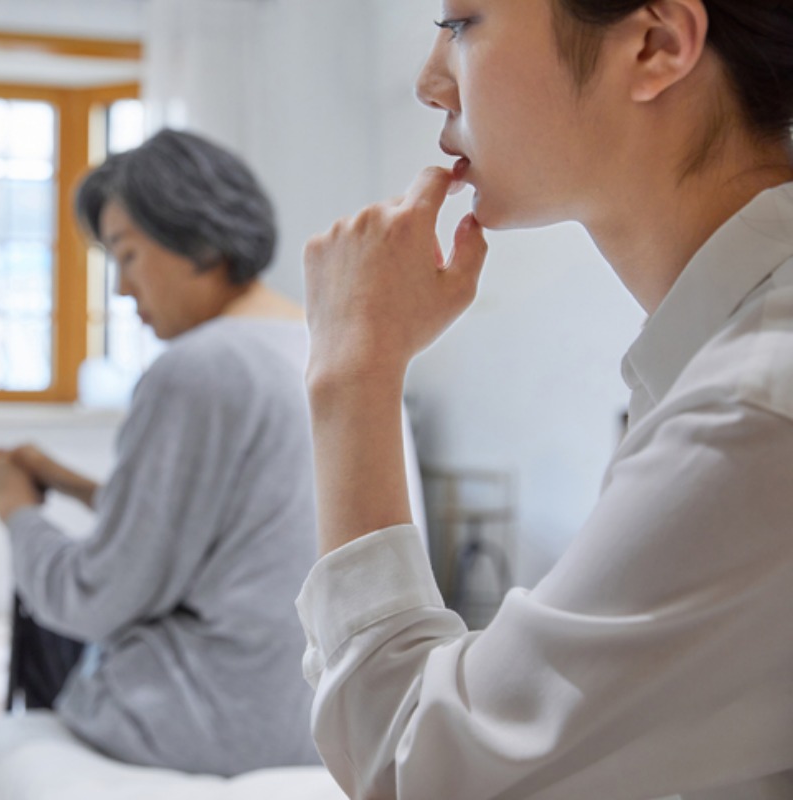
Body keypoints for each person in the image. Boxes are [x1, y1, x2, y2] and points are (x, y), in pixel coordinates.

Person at [297, 1, 793, 798]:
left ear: (656, 45)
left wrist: (351, 373)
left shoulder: (752, 408)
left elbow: (419, 769)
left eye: (463, 24)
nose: (430, 83)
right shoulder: (725, 364)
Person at [0, 129, 321, 776]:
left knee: (55, 621)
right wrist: (70, 484)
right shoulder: (317, 344)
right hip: (321, 714)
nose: (122, 290)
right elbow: (227, 526)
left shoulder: (201, 366)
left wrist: (16, 509)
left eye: (127, 256)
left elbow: (95, 597)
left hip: (213, 722)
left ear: (203, 241)